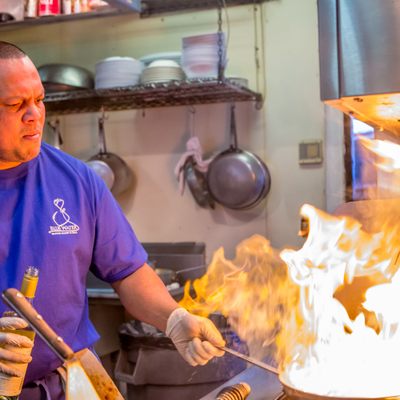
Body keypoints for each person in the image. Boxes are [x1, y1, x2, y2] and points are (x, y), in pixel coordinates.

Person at [0, 41, 225, 400]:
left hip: (70, 383)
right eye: (15, 105)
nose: (35, 115)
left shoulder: (76, 180)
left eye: (39, 100)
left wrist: (174, 318)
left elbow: (128, 271)